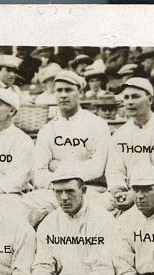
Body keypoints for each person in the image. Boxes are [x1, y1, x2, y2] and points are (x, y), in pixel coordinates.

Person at [27, 70, 111, 226]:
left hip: (89, 191)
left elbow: (97, 168)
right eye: (59, 90)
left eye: (69, 90)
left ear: (80, 92)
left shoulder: (97, 124)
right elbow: (38, 174)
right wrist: (62, 182)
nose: (63, 95)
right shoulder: (48, 129)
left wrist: (58, 167)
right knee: (26, 206)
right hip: (54, 193)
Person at [105, 77, 154, 212]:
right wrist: (118, 190)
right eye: (126, 97)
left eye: (135, 97)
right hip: (127, 192)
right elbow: (114, 171)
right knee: (102, 207)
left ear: (150, 100)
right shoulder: (121, 134)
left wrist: (136, 193)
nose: (129, 102)